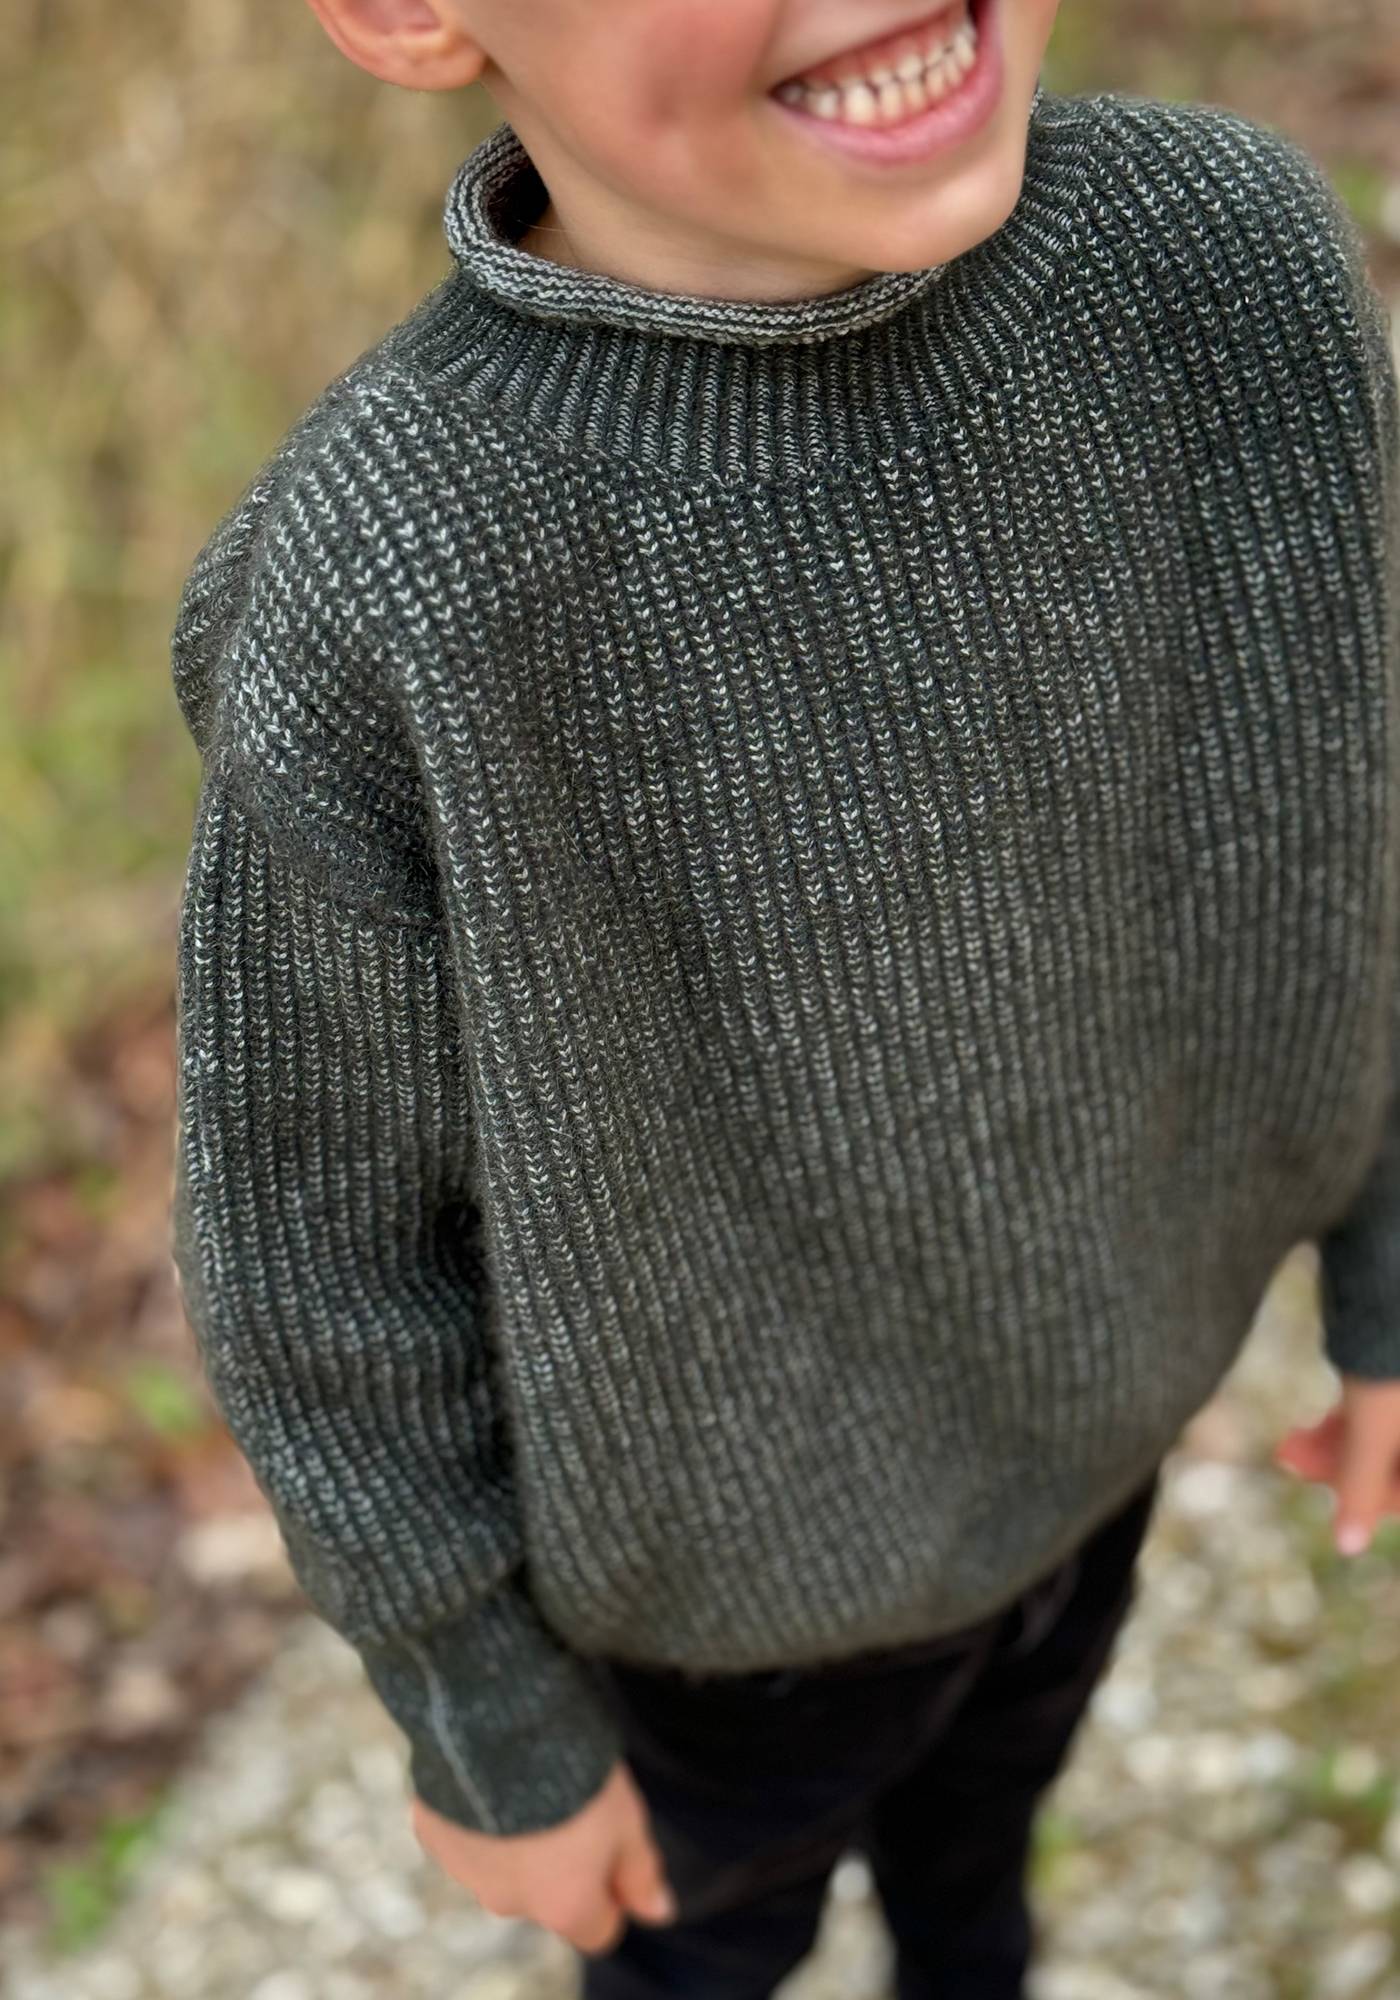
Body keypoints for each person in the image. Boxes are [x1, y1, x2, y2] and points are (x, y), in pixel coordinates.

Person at [166, 0, 1400, 1991]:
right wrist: (490, 1727)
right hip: (721, 1636)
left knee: (981, 1864)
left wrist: (1386, 1270)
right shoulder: (389, 577)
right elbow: (317, 1255)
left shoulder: (1218, 266)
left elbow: (1353, 808)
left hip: (1099, 1440)